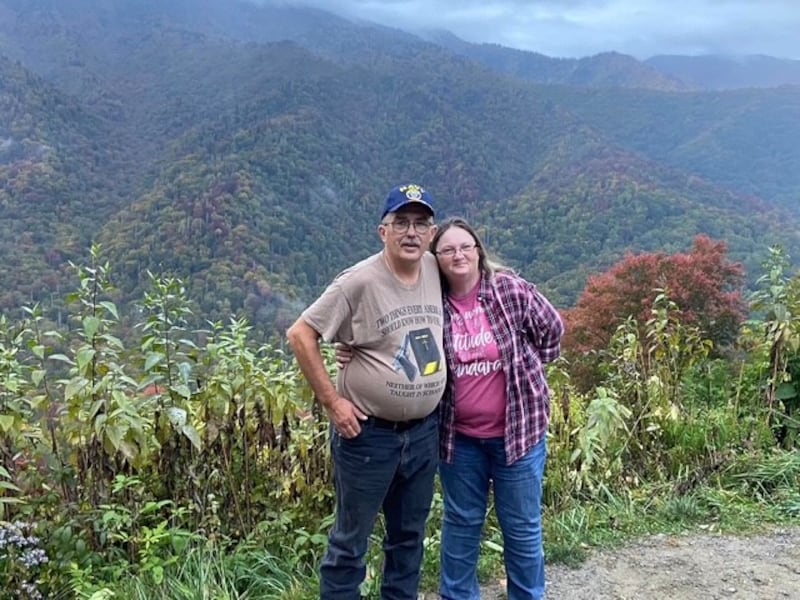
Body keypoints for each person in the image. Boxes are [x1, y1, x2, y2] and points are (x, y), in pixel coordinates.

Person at [286, 183, 447, 600]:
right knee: (350, 543)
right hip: (368, 435)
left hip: (424, 432)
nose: (411, 232)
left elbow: (476, 274)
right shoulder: (358, 281)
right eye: (401, 222)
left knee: (409, 538)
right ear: (383, 231)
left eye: (421, 224)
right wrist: (332, 403)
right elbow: (301, 334)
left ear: (432, 233)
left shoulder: (435, 268)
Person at [430, 217, 564, 600]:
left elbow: (553, 328)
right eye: (448, 249)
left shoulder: (508, 289)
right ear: (436, 259)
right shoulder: (431, 304)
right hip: (459, 440)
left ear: (478, 251)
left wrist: (528, 368)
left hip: (518, 435)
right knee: (461, 523)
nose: (458, 255)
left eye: (465, 247)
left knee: (521, 528)